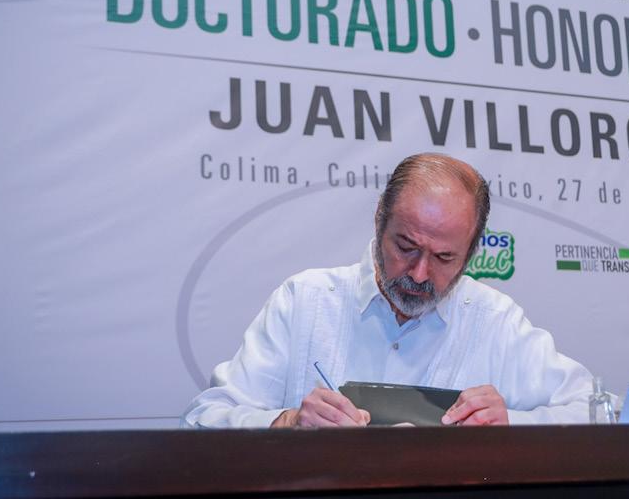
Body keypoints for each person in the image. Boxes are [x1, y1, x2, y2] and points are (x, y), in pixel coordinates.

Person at [183, 153, 595, 427]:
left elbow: (599, 411)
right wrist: (286, 422)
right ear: (380, 218)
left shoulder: (494, 320)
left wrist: (512, 423)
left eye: (444, 257)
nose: (419, 274)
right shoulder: (305, 301)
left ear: (471, 251)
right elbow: (203, 417)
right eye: (406, 247)